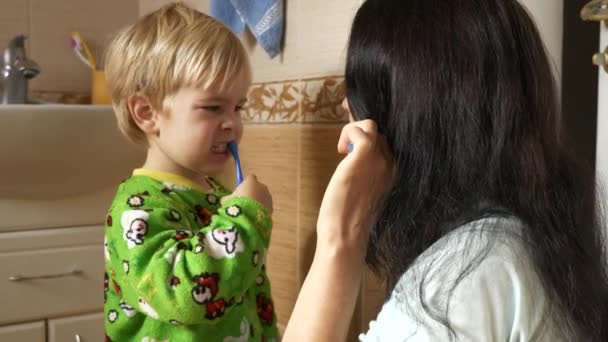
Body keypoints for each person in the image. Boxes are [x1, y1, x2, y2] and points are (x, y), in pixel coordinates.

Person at [284, 0, 608, 341]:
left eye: (358, 89)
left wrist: (339, 241)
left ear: (404, 116)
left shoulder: (459, 283)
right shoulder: (522, 246)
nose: (346, 106)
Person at [102, 3, 279, 341]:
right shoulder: (136, 208)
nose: (233, 123)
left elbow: (240, 288)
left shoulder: (212, 191)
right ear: (146, 113)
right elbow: (184, 300)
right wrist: (244, 217)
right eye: (213, 107)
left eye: (238, 107)